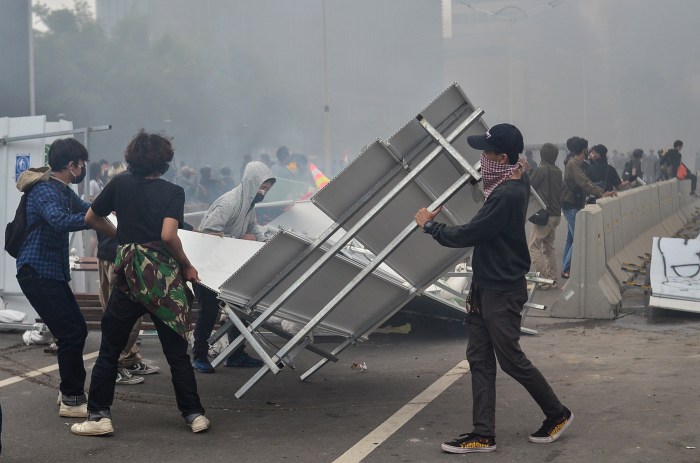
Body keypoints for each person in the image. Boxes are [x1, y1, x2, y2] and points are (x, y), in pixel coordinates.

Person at [414, 124, 573, 454]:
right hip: (486, 286)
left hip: (501, 290)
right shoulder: (512, 178)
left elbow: (470, 233)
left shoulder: (507, 194)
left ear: (501, 158)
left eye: (485, 154)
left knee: (510, 359)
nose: (481, 160)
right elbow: (511, 174)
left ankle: (557, 413)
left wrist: (430, 225)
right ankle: (483, 434)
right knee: (480, 359)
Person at [71, 131, 208, 436]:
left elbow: (92, 217)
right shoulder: (174, 191)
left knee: (110, 349)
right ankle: (194, 414)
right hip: (162, 283)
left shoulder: (119, 184)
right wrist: (186, 266)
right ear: (165, 160)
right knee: (176, 353)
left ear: (131, 157)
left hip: (129, 280)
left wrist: (121, 237)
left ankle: (99, 417)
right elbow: (169, 236)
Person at [15, 138, 113, 418]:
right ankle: (71, 399)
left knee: (75, 330)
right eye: (80, 165)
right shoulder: (45, 190)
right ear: (71, 165)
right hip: (36, 271)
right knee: (71, 333)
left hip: (51, 273)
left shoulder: (62, 189)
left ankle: (69, 391)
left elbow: (87, 208)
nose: (82, 170)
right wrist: (94, 222)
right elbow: (59, 220)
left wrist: (111, 212)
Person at [190, 161, 275, 373]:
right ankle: (199, 356)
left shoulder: (248, 205)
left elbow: (253, 228)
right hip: (206, 266)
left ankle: (236, 354)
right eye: (262, 187)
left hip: (226, 265)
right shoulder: (228, 203)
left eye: (267, 189)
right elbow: (208, 234)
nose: (263, 192)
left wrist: (262, 237)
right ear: (251, 183)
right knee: (208, 310)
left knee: (240, 306)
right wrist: (239, 239)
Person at [95, 162, 160, 386]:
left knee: (121, 316)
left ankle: (129, 358)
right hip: (118, 260)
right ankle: (118, 364)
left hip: (110, 256)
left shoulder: (117, 187)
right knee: (124, 318)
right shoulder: (128, 188)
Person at [560, 137, 615, 279]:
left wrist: (599, 191)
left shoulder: (577, 163)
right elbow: (584, 182)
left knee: (571, 239)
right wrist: (600, 193)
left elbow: (586, 182)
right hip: (571, 205)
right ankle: (566, 269)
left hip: (573, 204)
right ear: (583, 150)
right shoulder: (573, 164)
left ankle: (566, 267)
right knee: (579, 237)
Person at [527, 143, 562, 288]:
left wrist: (528, 172)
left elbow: (530, 186)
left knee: (533, 247)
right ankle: (552, 279)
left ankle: (542, 281)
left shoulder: (542, 169)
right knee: (549, 248)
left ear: (542, 155)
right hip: (556, 215)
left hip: (544, 216)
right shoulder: (558, 171)